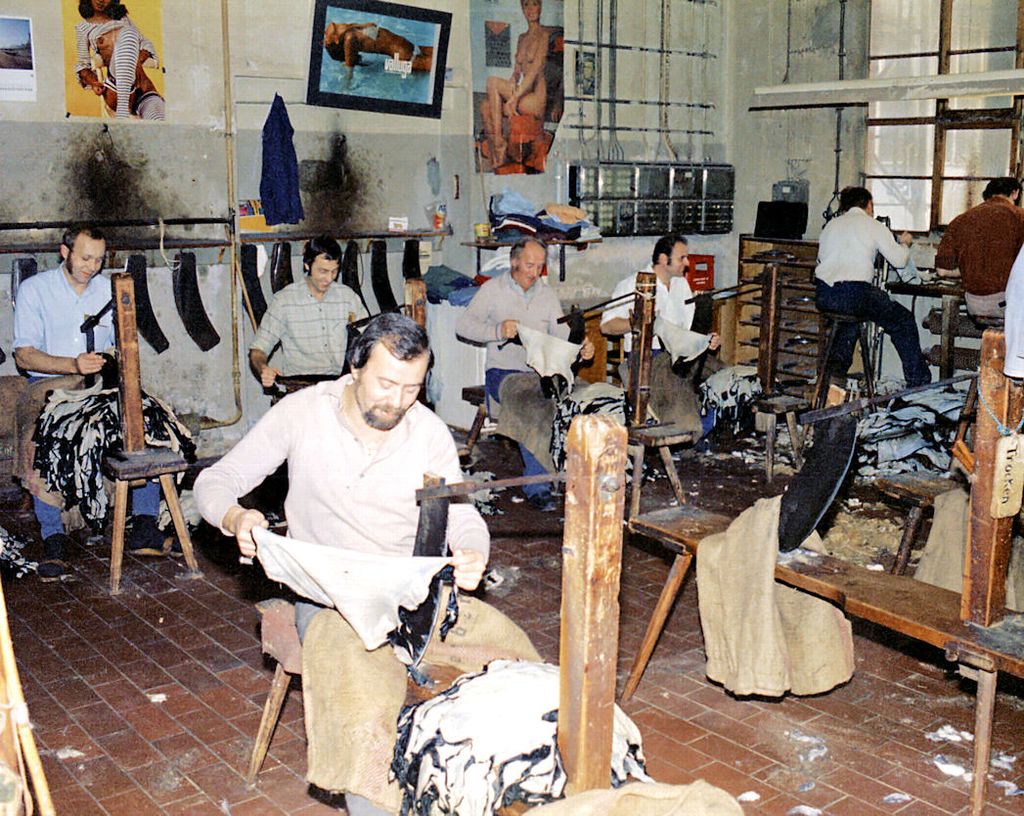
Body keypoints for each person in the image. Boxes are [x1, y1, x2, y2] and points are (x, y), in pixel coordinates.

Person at [194, 314, 539, 816]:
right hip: (330, 599)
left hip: (412, 593)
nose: (397, 401)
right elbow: (214, 481)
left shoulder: (427, 431)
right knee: (365, 716)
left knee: (521, 672)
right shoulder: (303, 413)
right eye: (385, 384)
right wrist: (235, 516)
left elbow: (461, 514)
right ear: (355, 366)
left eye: (412, 389)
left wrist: (472, 552)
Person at [12, 225, 173, 580]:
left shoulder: (109, 290)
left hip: (100, 383)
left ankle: (144, 524)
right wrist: (72, 364)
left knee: (147, 422)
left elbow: (122, 343)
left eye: (99, 260)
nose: (92, 267)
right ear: (64, 252)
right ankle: (53, 537)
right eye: (85, 258)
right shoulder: (35, 290)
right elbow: (24, 355)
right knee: (41, 436)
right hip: (50, 383)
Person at [456, 237, 593, 511]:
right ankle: (537, 485)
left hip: (543, 371)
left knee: (589, 397)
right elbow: (463, 326)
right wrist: (497, 331)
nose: (535, 272)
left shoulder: (546, 294)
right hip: (504, 372)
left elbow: (561, 335)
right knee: (534, 404)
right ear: (514, 261)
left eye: (540, 266)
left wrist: (581, 348)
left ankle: (584, 477)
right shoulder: (493, 290)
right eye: (530, 265)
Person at [815, 186, 931, 388]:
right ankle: (918, 382)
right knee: (903, 321)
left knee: (847, 322)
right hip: (855, 294)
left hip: (825, 294)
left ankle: (835, 379)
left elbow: (821, 260)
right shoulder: (874, 225)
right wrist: (905, 244)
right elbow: (899, 261)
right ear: (868, 205)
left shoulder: (830, 226)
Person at [249, 236, 368, 390]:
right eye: (323, 271)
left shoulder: (348, 298)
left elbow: (370, 338)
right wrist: (263, 369)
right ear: (307, 265)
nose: (329, 278)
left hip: (341, 385)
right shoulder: (285, 301)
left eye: (334, 271)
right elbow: (258, 350)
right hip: (301, 388)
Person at [600, 233, 722, 367]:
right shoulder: (633, 285)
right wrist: (638, 323)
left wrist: (705, 340)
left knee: (724, 374)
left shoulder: (681, 283)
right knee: (676, 380)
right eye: (682, 258)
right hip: (648, 357)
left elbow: (687, 328)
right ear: (664, 259)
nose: (687, 263)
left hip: (681, 355)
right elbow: (606, 326)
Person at [934, 176, 1024, 321]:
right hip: (1008, 303)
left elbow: (942, 271)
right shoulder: (1020, 217)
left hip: (974, 304)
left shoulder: (961, 219)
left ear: (987, 195)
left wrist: (970, 269)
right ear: (1015, 193)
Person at [479, 0, 549, 168]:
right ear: (522, 8)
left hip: (536, 99)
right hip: (523, 94)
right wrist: (512, 82)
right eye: (526, 5)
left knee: (492, 82)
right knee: (485, 106)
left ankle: (499, 141)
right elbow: (517, 72)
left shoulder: (544, 35)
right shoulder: (521, 38)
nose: (530, 9)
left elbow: (533, 72)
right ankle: (498, 154)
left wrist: (514, 97)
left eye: (534, 4)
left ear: (540, 6)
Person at [74, 0, 165, 120]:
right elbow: (82, 65)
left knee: (158, 120)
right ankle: (123, 105)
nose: (101, 0)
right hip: (115, 87)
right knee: (129, 33)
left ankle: (125, 112)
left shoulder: (123, 19)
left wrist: (138, 57)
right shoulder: (83, 28)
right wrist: (93, 82)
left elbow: (144, 42)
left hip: (142, 87)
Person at [323, 21, 434, 86]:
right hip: (406, 45)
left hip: (403, 56)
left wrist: (345, 86)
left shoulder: (349, 40)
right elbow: (374, 29)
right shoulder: (357, 27)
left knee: (438, 68)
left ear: (337, 40)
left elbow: (349, 71)